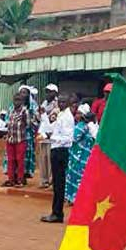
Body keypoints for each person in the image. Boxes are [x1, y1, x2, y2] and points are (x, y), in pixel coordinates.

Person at [41, 94, 74, 223]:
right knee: (56, 183)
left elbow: (68, 138)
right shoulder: (61, 115)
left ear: (69, 103)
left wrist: (53, 138)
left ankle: (58, 213)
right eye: (59, 101)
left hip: (61, 151)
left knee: (59, 184)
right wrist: (43, 115)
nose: (61, 104)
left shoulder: (67, 117)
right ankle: (55, 212)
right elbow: (51, 128)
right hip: (56, 150)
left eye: (64, 101)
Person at [64, 105, 97, 204]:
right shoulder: (91, 126)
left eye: (79, 113)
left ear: (83, 115)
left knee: (75, 176)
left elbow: (73, 138)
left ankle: (74, 198)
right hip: (83, 155)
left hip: (79, 156)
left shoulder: (81, 126)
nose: (76, 115)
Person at [36, 84, 59, 189]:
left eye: (50, 91)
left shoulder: (57, 105)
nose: (48, 94)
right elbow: (38, 117)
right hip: (43, 135)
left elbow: (52, 119)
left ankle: (51, 181)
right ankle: (44, 180)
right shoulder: (44, 103)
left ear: (55, 93)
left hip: (52, 135)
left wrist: (43, 114)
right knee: (43, 159)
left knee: (50, 160)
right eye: (47, 91)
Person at [3, 93, 28, 187]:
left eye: (18, 100)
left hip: (20, 139)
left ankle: (20, 180)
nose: (16, 102)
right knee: (10, 160)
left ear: (22, 101)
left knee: (20, 160)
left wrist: (25, 120)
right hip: (10, 139)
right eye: (15, 100)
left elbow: (29, 124)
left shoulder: (25, 111)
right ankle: (11, 179)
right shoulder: (11, 111)